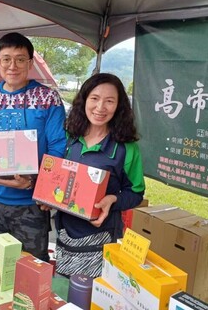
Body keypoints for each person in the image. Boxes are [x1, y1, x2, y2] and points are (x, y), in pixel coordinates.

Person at [0, 32, 66, 261]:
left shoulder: (48, 98)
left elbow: (58, 147)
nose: (13, 66)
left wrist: (42, 187)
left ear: (30, 63)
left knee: (31, 268)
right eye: (6, 59)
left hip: (31, 203)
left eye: (20, 59)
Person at [53, 73, 145, 278]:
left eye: (109, 101)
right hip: (64, 232)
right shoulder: (69, 137)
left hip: (99, 238)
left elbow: (136, 192)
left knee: (90, 295)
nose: (100, 107)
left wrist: (112, 199)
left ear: (119, 106)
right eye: (94, 98)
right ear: (84, 99)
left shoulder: (126, 148)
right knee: (63, 290)